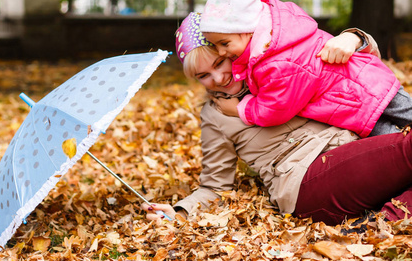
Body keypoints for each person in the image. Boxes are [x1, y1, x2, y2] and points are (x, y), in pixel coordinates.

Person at [141, 12, 412, 226]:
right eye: (203, 76)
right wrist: (179, 212)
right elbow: (214, 186)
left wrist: (354, 38)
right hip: (305, 180)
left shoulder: (278, 66)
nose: (218, 78)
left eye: (218, 64)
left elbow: (350, 71)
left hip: (355, 150)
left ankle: (379, 224)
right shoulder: (216, 115)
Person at [199, 0, 412, 138]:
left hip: (353, 104)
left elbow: (275, 108)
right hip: (372, 80)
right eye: (215, 45)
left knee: (396, 142)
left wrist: (241, 109)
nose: (221, 51)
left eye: (224, 43)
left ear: (248, 29)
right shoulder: (281, 34)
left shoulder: (275, 63)